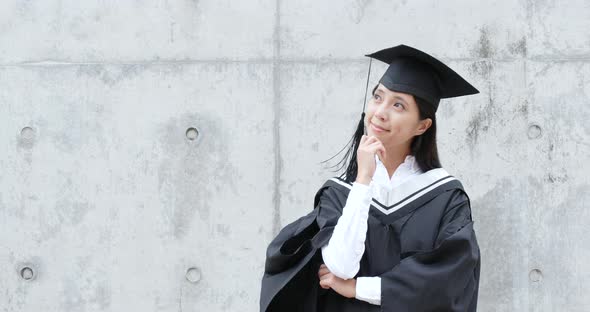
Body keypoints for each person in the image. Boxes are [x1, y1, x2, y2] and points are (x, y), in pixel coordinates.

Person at [259, 44, 482, 312]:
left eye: (398, 105)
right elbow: (340, 267)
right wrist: (363, 179)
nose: (380, 112)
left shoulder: (446, 199)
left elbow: (447, 283)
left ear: (422, 126)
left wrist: (359, 288)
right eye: (378, 97)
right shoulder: (340, 193)